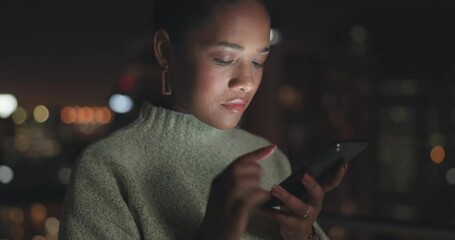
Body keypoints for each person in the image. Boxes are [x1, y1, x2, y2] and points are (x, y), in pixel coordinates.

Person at [59, 0, 347, 239]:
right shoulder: (107, 167)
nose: (246, 81)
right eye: (223, 59)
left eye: (258, 62)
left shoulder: (269, 158)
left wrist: (304, 234)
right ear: (165, 51)